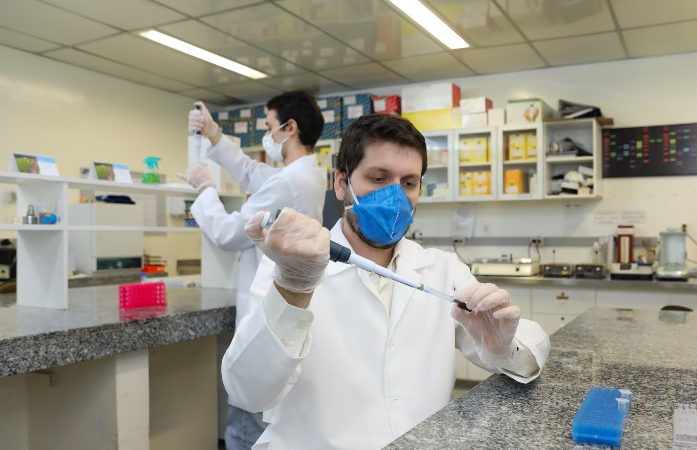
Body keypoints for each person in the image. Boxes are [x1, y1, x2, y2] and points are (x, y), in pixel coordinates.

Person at [222, 114, 551, 449]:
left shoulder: (441, 269)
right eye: (378, 178)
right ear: (341, 183)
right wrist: (292, 290)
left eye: (409, 182)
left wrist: (503, 348)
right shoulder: (288, 268)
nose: (395, 196)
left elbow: (532, 347)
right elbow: (247, 390)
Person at [181, 91, 326, 450]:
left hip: (266, 309)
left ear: (289, 128)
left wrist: (204, 190)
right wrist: (215, 134)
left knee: (247, 420)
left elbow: (229, 234)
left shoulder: (290, 182)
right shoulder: (305, 175)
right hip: (282, 306)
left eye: (268, 126)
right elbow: (250, 172)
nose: (266, 133)